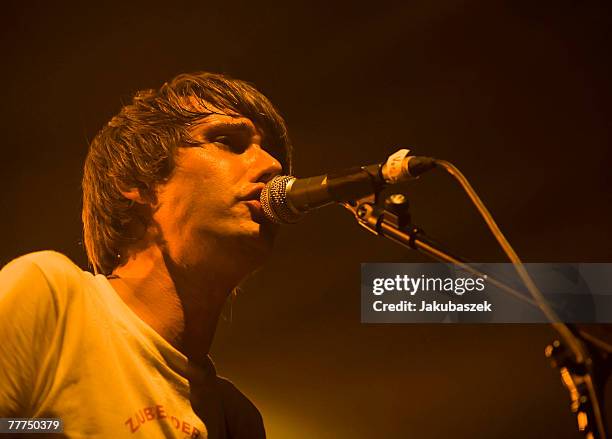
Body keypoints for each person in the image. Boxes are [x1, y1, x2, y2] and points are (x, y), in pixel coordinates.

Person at [0, 72, 292, 438]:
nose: (272, 166)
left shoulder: (236, 419)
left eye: (271, 152)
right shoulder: (53, 300)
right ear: (137, 179)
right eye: (227, 141)